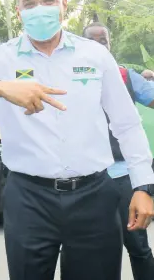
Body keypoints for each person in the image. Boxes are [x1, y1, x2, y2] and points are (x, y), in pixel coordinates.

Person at [0, 0, 154, 280]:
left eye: (48, 0)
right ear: (18, 12)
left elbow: (127, 125)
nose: (40, 8)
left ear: (64, 5)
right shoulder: (0, 58)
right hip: (29, 197)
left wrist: (143, 186)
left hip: (94, 195)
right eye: (29, 3)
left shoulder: (95, 55)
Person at [69, 22, 154, 280]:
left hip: (122, 177)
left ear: (110, 43)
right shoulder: (69, 76)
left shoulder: (126, 77)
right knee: (91, 251)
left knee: (138, 246)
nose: (98, 46)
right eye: (91, 41)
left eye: (102, 40)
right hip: (83, 181)